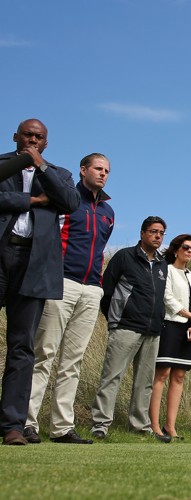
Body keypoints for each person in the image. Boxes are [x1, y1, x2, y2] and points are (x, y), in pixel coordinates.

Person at [0, 119, 81, 446]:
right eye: (27, 135)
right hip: (1, 254)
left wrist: (41, 168)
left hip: (34, 264)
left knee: (22, 347)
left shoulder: (59, 175)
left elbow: (70, 202)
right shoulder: (2, 165)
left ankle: (12, 426)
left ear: (45, 143)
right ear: (15, 136)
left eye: (38, 137)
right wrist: (32, 201)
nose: (32, 140)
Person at [25, 152, 114, 445]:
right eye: (98, 168)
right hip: (61, 282)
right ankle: (26, 423)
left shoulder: (108, 212)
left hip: (92, 288)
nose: (103, 174)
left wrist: (98, 286)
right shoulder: (66, 200)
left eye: (107, 170)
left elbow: (100, 248)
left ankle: (62, 428)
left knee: (72, 361)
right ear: (83, 170)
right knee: (44, 354)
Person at [89, 216, 168, 438]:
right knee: (111, 377)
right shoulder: (124, 256)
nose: (158, 236)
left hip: (152, 330)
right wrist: (115, 318)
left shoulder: (162, 264)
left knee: (144, 382)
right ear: (142, 233)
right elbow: (106, 290)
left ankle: (140, 427)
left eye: (161, 233)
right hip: (125, 326)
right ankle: (100, 424)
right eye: (153, 231)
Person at [148, 234, 191, 443]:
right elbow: (167, 298)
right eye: (186, 247)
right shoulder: (167, 270)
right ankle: (154, 425)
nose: (189, 251)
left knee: (179, 376)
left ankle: (170, 426)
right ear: (176, 249)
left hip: (189, 329)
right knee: (162, 374)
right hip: (169, 325)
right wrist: (190, 316)